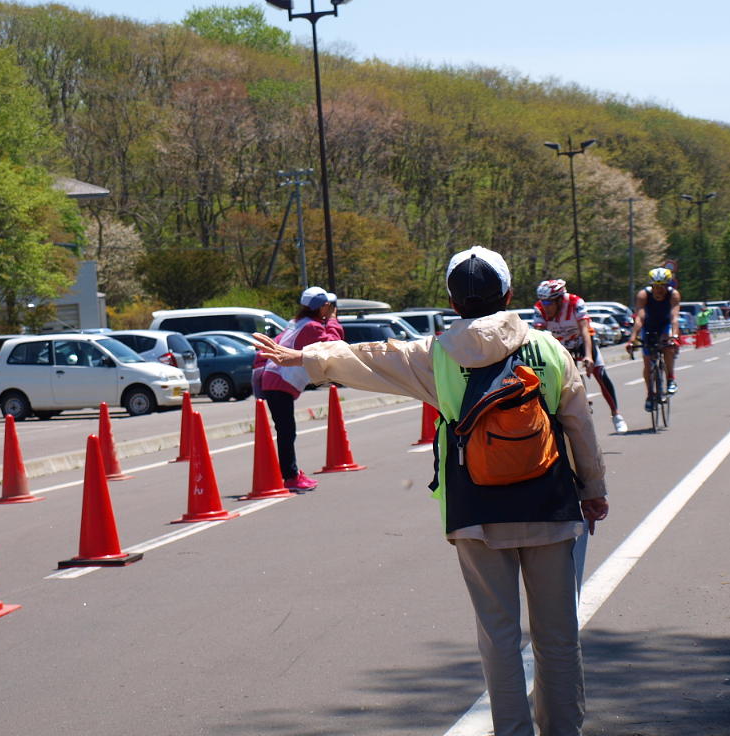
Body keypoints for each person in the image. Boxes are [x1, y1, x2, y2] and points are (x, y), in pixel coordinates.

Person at [254, 246, 608, 736]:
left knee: (499, 637)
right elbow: (578, 425)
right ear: (509, 295)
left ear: (453, 301)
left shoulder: (436, 356)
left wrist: (306, 356)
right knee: (559, 637)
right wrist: (593, 489)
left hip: (475, 510)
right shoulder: (549, 349)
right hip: (550, 502)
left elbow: (369, 359)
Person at [259, 286, 344, 491]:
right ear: (322, 307)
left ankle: (291, 473)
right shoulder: (312, 327)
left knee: (286, 431)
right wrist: (333, 321)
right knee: (287, 432)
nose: (331, 309)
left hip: (273, 378)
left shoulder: (296, 323)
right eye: (329, 306)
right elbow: (333, 346)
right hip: (280, 381)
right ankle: (290, 476)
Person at [533, 279, 627, 434]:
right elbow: (539, 335)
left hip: (581, 341)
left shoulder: (575, 302)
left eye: (548, 303)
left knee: (600, 373)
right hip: (561, 344)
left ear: (559, 300)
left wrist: (588, 356)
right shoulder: (540, 308)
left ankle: (616, 415)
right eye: (543, 302)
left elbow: (585, 330)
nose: (545, 306)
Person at [626, 267, 681, 412]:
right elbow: (639, 318)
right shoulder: (643, 295)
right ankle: (650, 394)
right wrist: (632, 339)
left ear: (667, 286)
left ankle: (670, 379)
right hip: (648, 326)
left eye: (662, 286)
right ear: (651, 286)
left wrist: (674, 336)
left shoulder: (673, 295)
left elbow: (674, 318)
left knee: (668, 346)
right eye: (656, 286)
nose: (659, 290)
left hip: (665, 325)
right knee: (647, 362)